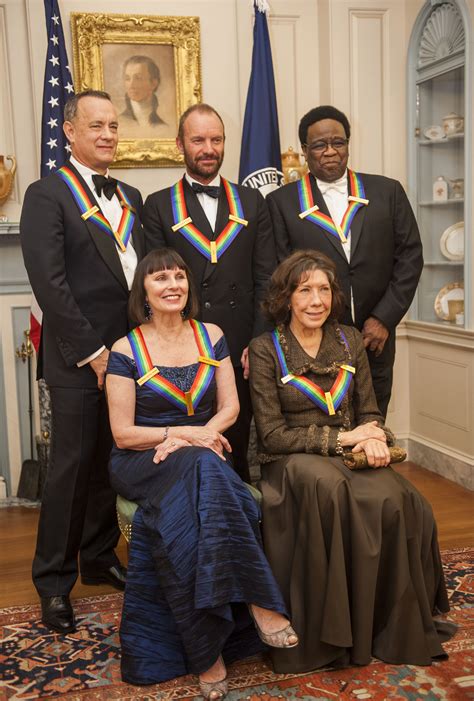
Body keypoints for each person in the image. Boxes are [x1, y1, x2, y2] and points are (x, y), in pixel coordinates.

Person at [249, 249, 455, 674]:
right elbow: (272, 434)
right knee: (333, 491)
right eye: (304, 290)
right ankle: (336, 635)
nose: (315, 300)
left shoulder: (349, 339)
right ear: (287, 297)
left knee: (401, 498)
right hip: (289, 460)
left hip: (351, 452)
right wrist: (348, 437)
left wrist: (376, 435)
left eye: (324, 290)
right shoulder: (265, 348)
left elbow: (370, 411)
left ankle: (391, 625)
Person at [105, 248, 297, 698]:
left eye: (179, 276)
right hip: (143, 460)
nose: (172, 285)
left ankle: (206, 654)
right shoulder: (125, 348)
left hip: (202, 453)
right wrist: (184, 435)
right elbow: (122, 434)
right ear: (144, 292)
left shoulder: (212, 334)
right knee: (205, 466)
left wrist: (199, 437)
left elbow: (230, 406)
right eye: (159, 279)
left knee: (199, 485)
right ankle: (260, 604)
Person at [20, 90, 145, 634]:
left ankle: (98, 558)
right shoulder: (46, 194)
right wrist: (95, 353)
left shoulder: (133, 194)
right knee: (70, 471)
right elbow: (50, 284)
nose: (108, 134)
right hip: (78, 359)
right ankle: (53, 583)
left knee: (108, 465)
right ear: (69, 131)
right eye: (96, 125)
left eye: (114, 125)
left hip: (129, 357)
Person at [142, 103, 277, 483]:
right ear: (179, 145)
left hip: (239, 344)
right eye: (198, 139)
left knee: (236, 441)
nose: (208, 148)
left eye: (216, 139)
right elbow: (154, 284)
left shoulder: (253, 202)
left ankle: (241, 527)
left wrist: (258, 340)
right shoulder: (157, 206)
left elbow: (266, 278)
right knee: (189, 446)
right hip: (182, 347)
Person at [267, 105, 423, 417]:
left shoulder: (387, 191)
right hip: (314, 335)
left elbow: (410, 256)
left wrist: (384, 318)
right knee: (323, 420)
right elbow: (280, 273)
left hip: (374, 335)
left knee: (373, 419)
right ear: (305, 151)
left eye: (338, 143)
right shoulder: (281, 203)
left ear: (348, 145)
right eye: (319, 145)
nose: (330, 152)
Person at [120, 55, 169, 138]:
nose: (131, 85)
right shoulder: (119, 122)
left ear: (153, 83)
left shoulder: (164, 127)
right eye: (127, 79)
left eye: (138, 78)